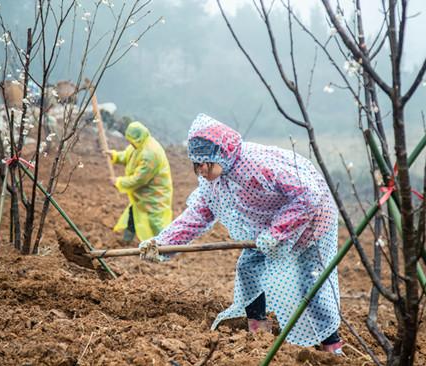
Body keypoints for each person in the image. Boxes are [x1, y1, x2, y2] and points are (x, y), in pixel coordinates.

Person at [139, 113, 342, 353]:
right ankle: (259, 331)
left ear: (220, 154)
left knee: (311, 281)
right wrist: (161, 243)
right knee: (249, 268)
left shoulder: (258, 165)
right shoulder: (213, 181)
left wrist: (277, 233)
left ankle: (332, 346)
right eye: (196, 165)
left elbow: (308, 195)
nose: (201, 170)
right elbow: (197, 216)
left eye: (205, 163)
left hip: (311, 222)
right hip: (268, 229)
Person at [107, 121, 173, 242]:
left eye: (132, 141)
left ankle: (168, 245)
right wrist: (115, 156)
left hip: (154, 194)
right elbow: (129, 156)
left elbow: (139, 179)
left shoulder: (150, 153)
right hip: (143, 194)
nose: (130, 144)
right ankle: (126, 240)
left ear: (138, 138)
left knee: (155, 221)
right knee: (133, 213)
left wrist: (118, 182)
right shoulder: (139, 144)